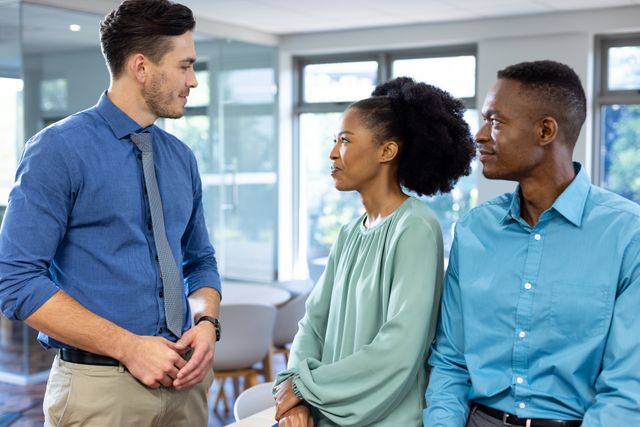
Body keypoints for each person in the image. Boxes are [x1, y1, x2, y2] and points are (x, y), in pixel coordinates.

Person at [0, 1, 222, 426]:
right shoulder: (58, 150)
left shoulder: (181, 158)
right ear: (142, 67)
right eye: (185, 66)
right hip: (99, 392)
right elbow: (16, 281)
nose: (193, 81)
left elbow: (200, 260)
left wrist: (208, 321)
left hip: (187, 386)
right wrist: (128, 346)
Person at [424, 60, 640, 427]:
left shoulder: (627, 234)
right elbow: (451, 360)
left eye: (495, 121)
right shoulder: (475, 230)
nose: (479, 135)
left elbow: (627, 388)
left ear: (545, 131)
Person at [273, 77, 476, 426]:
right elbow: (313, 324)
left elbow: (397, 351)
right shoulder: (350, 233)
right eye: (334, 141)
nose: (334, 153)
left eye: (346, 141)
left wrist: (305, 387)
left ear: (387, 151)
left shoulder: (415, 228)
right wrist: (298, 395)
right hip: (325, 413)